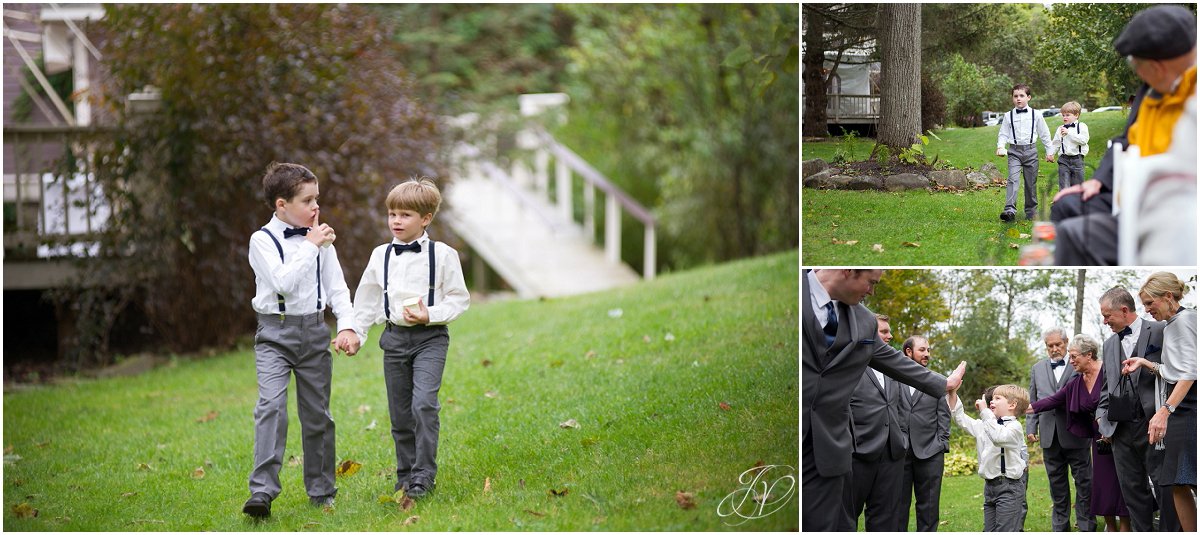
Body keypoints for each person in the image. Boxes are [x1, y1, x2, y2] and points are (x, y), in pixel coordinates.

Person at [802, 269, 966, 531]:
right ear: (847, 270)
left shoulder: (864, 321)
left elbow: (894, 361)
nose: (872, 291)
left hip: (829, 443)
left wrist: (944, 384)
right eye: (871, 282)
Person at [242, 162, 359, 517]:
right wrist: (310, 245)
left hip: (313, 332)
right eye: (307, 201)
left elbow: (338, 288)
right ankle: (262, 492)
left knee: (318, 415)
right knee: (271, 408)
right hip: (274, 334)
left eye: (317, 199)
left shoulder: (320, 240)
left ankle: (322, 490)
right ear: (281, 205)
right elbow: (281, 282)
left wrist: (347, 326)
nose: (315, 208)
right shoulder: (261, 241)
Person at [348, 178, 470, 499]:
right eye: (392, 214)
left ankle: (424, 475)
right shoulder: (380, 255)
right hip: (394, 340)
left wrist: (430, 313)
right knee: (400, 413)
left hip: (430, 339)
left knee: (424, 405)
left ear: (426, 218)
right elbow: (367, 300)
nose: (396, 221)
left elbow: (459, 298)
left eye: (405, 215)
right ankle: (405, 474)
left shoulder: (443, 255)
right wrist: (355, 333)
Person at [1052, 5, 1197, 265]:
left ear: (1156, 67)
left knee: (1076, 235)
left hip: (1172, 214)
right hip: (1127, 195)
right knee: (1067, 205)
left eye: (1137, 66)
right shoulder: (1152, 89)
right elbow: (1126, 138)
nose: (1137, 74)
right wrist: (1097, 181)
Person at [1094, 286, 1178, 531]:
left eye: (1107, 315)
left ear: (1123, 310)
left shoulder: (1161, 330)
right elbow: (1105, 387)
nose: (1104, 320)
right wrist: (1101, 416)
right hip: (1119, 430)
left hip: (1154, 423)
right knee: (1132, 490)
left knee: (1164, 486)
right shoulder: (1109, 344)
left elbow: (1178, 372)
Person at [1027, 334, 1130, 531]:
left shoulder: (1108, 371)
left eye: (1074, 356)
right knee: (1102, 483)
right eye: (1051, 345)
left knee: (1107, 482)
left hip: (1114, 434)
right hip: (1094, 438)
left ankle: (1116, 525)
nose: (1070, 360)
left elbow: (1120, 398)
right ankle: (1109, 527)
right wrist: (1022, 408)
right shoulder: (1076, 379)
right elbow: (1052, 399)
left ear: (1088, 355)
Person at [1123, 272, 1197, 531]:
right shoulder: (1174, 323)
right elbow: (1174, 369)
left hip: (1188, 408)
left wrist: (1164, 411)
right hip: (1181, 407)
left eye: (1150, 303)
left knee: (1186, 479)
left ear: (1168, 297)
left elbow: (1189, 373)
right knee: (1178, 482)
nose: (1147, 310)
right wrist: (1146, 363)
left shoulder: (1185, 321)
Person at [1026, 327, 1094, 532]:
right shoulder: (1037, 368)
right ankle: (1060, 525)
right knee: (1056, 483)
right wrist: (1031, 426)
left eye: (1058, 344)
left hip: (1076, 432)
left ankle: (1086, 523)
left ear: (1066, 343)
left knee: (1084, 481)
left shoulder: (1078, 365)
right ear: (1046, 347)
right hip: (1049, 435)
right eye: (1050, 345)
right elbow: (1033, 399)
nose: (1054, 349)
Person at [947, 382, 1029, 531]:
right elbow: (960, 418)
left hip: (1009, 487)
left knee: (1005, 530)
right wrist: (952, 393)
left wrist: (985, 412)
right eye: (992, 399)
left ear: (1012, 405)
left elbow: (999, 437)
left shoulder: (1014, 427)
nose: (991, 401)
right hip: (990, 487)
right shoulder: (984, 426)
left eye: (997, 398)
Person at [845, 360, 909, 530]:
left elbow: (902, 407)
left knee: (886, 518)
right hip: (857, 453)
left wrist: (903, 437)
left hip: (892, 452)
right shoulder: (848, 362)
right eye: (884, 331)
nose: (889, 336)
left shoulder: (891, 367)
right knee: (845, 516)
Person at [896, 335, 950, 532]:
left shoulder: (938, 381)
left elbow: (944, 415)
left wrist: (941, 443)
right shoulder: (894, 379)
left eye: (928, 350)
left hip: (930, 452)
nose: (927, 354)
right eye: (922, 350)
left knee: (928, 507)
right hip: (899, 452)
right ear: (908, 352)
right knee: (897, 506)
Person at [995, 83, 1053, 222]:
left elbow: (1044, 134)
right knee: (1013, 180)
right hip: (1014, 151)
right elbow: (1003, 134)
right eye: (1015, 96)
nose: (1018, 99)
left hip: (1031, 151)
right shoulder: (1008, 116)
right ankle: (1009, 210)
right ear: (1012, 98)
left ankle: (1031, 211)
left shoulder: (1036, 115)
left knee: (1030, 182)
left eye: (1022, 96)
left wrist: (1049, 151)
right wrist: (1000, 146)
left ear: (1029, 97)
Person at [1046, 101, 1090, 193]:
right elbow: (1056, 143)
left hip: (1077, 160)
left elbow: (1084, 140)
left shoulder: (1082, 126)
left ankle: (1077, 205)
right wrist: (1050, 153)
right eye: (1063, 115)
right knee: (1064, 185)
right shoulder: (1060, 129)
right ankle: (1064, 204)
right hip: (1064, 160)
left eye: (1067, 115)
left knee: (1077, 186)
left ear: (1076, 115)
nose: (1064, 117)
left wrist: (1069, 133)